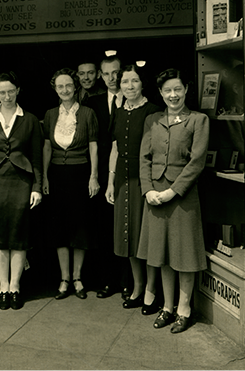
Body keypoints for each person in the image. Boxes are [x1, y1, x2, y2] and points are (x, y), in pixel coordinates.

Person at [138, 68, 209, 334]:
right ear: (160, 93)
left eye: (177, 89)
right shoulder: (152, 120)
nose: (173, 95)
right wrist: (148, 190)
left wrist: (172, 191)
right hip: (155, 196)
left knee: (184, 254)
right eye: (167, 90)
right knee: (163, 254)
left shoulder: (198, 120)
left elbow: (197, 162)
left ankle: (184, 309)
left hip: (182, 197)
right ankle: (167, 307)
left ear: (186, 90)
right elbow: (143, 158)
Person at [0, 71, 43, 310]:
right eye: (2, 92)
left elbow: (36, 157)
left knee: (18, 235)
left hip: (21, 183)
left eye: (11, 91)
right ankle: (2, 286)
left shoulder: (30, 119)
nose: (7, 96)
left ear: (18, 91)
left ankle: (15, 286)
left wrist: (37, 187)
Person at [105, 64, 162, 312]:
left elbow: (157, 152)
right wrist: (109, 181)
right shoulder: (117, 111)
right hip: (122, 179)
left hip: (144, 179)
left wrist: (151, 184)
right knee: (127, 237)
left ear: (143, 84)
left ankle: (151, 290)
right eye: (125, 82)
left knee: (144, 236)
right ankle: (137, 287)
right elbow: (115, 148)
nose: (129, 86)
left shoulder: (153, 112)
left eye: (134, 81)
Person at [41, 68, 99, 300]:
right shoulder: (50, 113)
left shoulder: (87, 113)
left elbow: (93, 146)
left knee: (80, 226)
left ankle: (78, 278)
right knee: (60, 228)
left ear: (75, 87)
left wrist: (93, 176)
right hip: (56, 175)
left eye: (68, 86)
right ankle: (64, 279)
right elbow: (47, 146)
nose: (64, 90)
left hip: (80, 173)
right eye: (60, 86)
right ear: (55, 89)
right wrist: (44, 176)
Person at [84, 53, 124, 299]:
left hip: (128, 172)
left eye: (116, 73)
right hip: (101, 174)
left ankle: (128, 282)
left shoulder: (134, 100)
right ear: (100, 75)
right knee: (105, 228)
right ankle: (108, 280)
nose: (113, 78)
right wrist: (94, 176)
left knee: (128, 226)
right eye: (107, 73)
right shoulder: (93, 105)